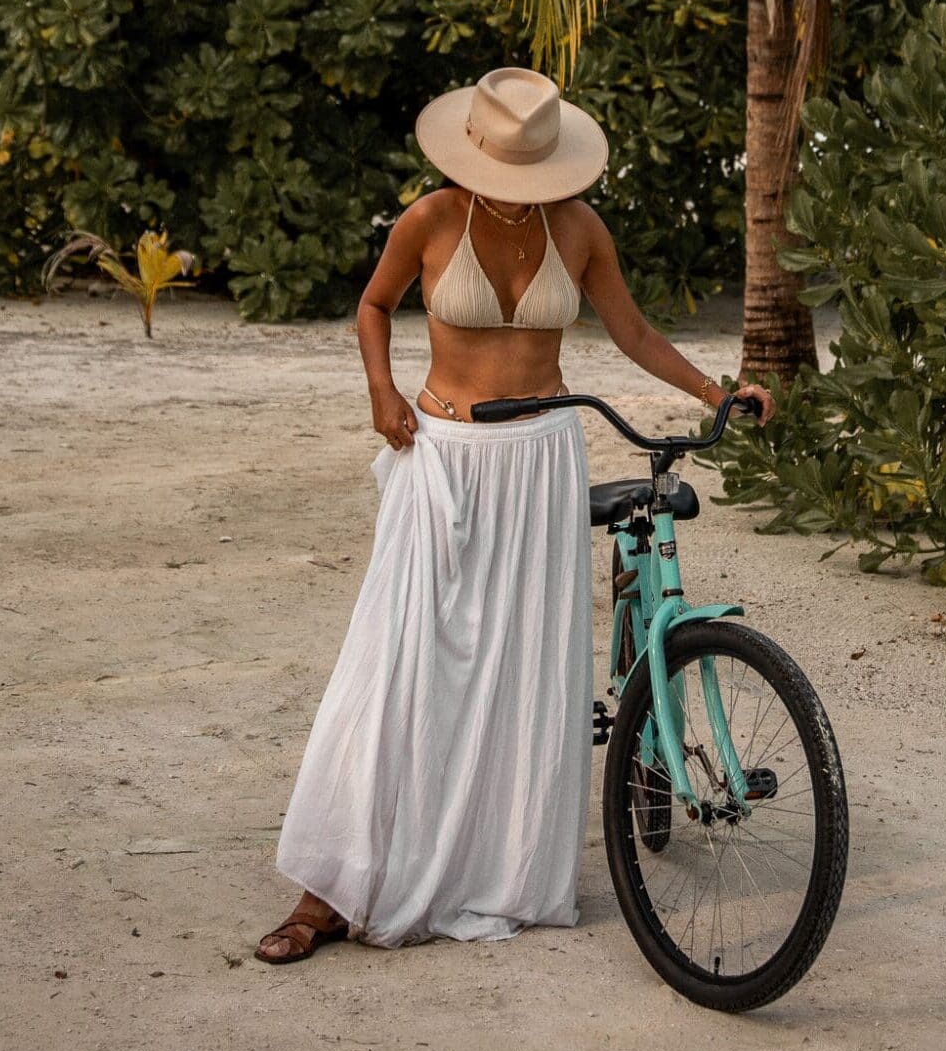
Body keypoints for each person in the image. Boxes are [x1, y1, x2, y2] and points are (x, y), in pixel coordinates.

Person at [256, 66, 773, 963]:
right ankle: (328, 889)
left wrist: (715, 391)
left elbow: (634, 332)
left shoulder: (578, 229)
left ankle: (495, 870)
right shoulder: (429, 219)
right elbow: (373, 305)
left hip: (540, 460)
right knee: (399, 664)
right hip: (441, 455)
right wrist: (381, 391)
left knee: (519, 669)